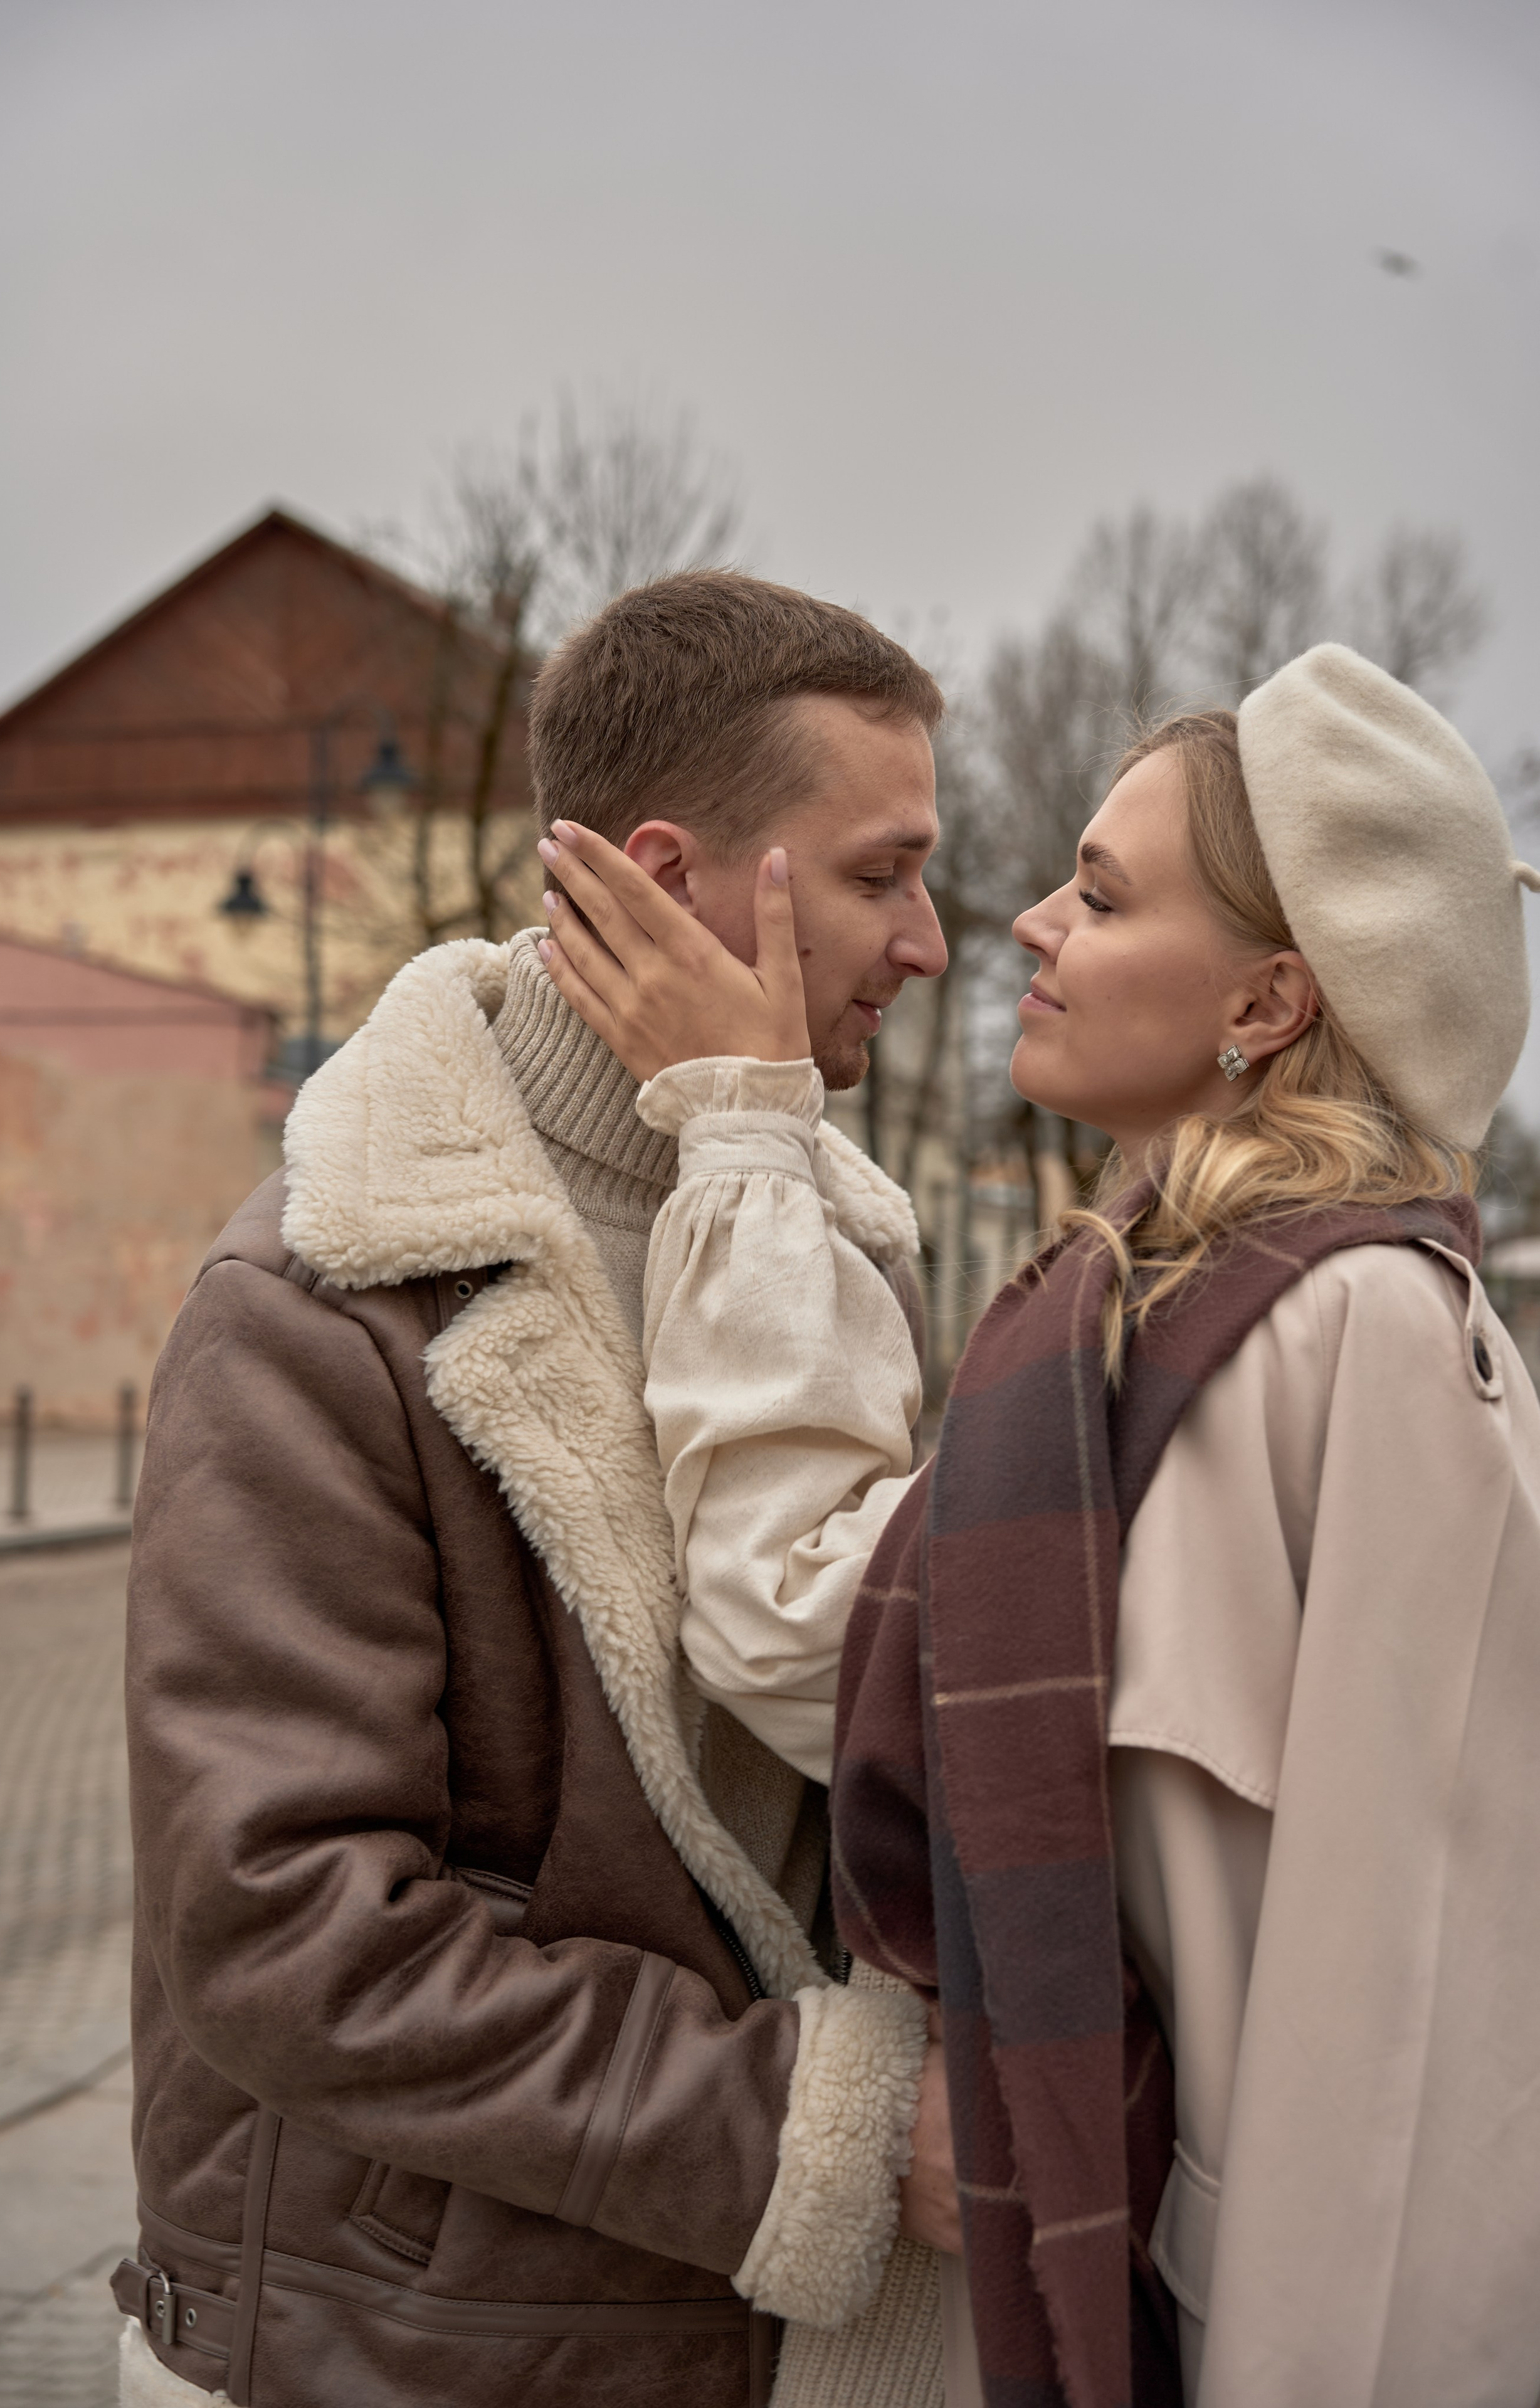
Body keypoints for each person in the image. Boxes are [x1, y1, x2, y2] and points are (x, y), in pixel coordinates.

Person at [535, 643, 1540, 2408]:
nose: (1016, 926)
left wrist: (749, 1133)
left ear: (1271, 1001)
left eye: (1099, 891)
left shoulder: (1337, 1332)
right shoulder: (1204, 1308)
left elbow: (1423, 2030)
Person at [113, 571, 958, 2408]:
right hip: (404, 2349)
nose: (935, 941)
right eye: (882, 874)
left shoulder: (849, 1263)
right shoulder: (320, 1305)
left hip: (767, 2346)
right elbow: (286, 1926)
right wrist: (837, 2133)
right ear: (667, 876)